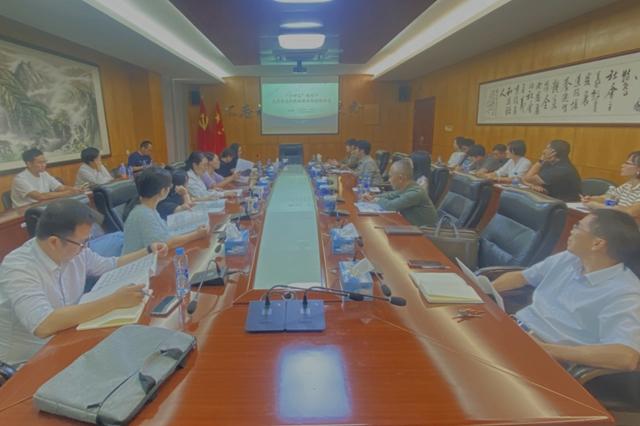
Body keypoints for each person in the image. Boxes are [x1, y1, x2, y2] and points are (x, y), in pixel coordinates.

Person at [0, 199, 168, 365]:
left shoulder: (75, 250)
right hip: (30, 359)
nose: (85, 247)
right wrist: (114, 301)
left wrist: (148, 251)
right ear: (54, 242)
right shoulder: (18, 267)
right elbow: (43, 324)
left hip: (69, 333)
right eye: (82, 242)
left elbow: (110, 265)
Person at [492, 209, 640, 371]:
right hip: (514, 330)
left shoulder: (625, 293)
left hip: (546, 359)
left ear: (597, 243)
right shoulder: (569, 258)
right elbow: (521, 277)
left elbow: (626, 356)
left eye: (577, 226)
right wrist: (483, 292)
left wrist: (546, 350)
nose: (571, 230)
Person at [121, 167, 209, 255]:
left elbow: (166, 233)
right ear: (163, 191)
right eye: (170, 187)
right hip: (140, 262)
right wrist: (196, 234)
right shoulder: (143, 214)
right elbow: (165, 244)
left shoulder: (147, 207)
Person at [362, 159, 437, 227]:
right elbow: (391, 195)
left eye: (390, 176)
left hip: (424, 232)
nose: (389, 180)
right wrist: (373, 197)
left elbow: (391, 206)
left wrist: (377, 200)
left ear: (401, 178)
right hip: (411, 226)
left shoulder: (415, 193)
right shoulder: (408, 187)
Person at [11, 148, 84, 207]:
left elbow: (60, 187)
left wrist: (75, 189)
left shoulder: (44, 174)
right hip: (25, 211)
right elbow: (40, 196)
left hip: (43, 205)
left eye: (45, 162)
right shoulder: (20, 178)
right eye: (40, 162)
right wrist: (68, 193)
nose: (44, 165)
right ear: (29, 164)